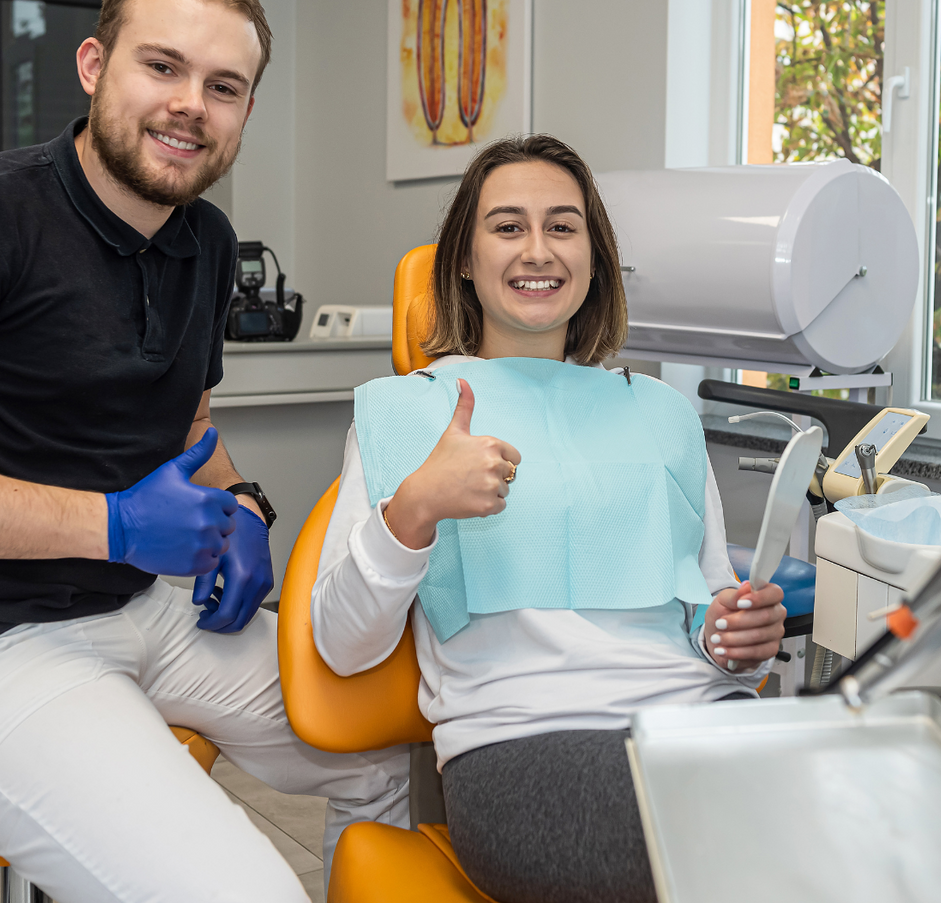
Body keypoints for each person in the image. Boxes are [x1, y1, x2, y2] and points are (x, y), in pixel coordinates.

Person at [0, 0, 405, 903]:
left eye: (224, 85)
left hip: (143, 607)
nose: (190, 104)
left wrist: (238, 503)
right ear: (92, 66)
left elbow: (189, 421)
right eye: (161, 66)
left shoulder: (204, 241)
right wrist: (111, 524)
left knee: (399, 762)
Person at [310, 135, 788, 903]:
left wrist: (735, 641)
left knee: (886, 801)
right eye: (507, 227)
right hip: (525, 748)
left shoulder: (661, 412)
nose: (538, 250)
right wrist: (416, 509)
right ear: (463, 259)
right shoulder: (407, 413)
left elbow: (706, 612)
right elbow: (340, 645)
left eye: (563, 227)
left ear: (593, 257)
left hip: (701, 719)